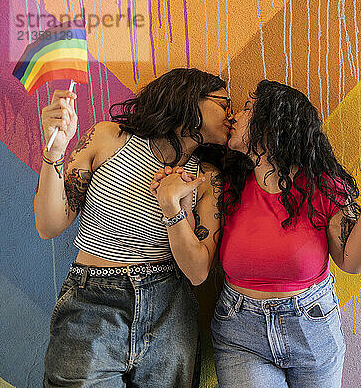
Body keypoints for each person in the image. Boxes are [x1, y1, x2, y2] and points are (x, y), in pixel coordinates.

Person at [152, 80, 361, 388]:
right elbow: (196, 269)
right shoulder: (225, 185)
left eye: (247, 109)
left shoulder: (322, 186)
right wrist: (174, 207)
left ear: (270, 127)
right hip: (240, 333)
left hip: (311, 327)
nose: (234, 117)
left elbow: (351, 262)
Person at [34, 68, 233, 387]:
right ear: (188, 97)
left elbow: (197, 272)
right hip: (93, 302)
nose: (231, 114)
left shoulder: (208, 178)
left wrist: (174, 208)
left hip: (170, 308)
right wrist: (53, 152)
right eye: (224, 103)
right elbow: (49, 225)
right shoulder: (108, 138)